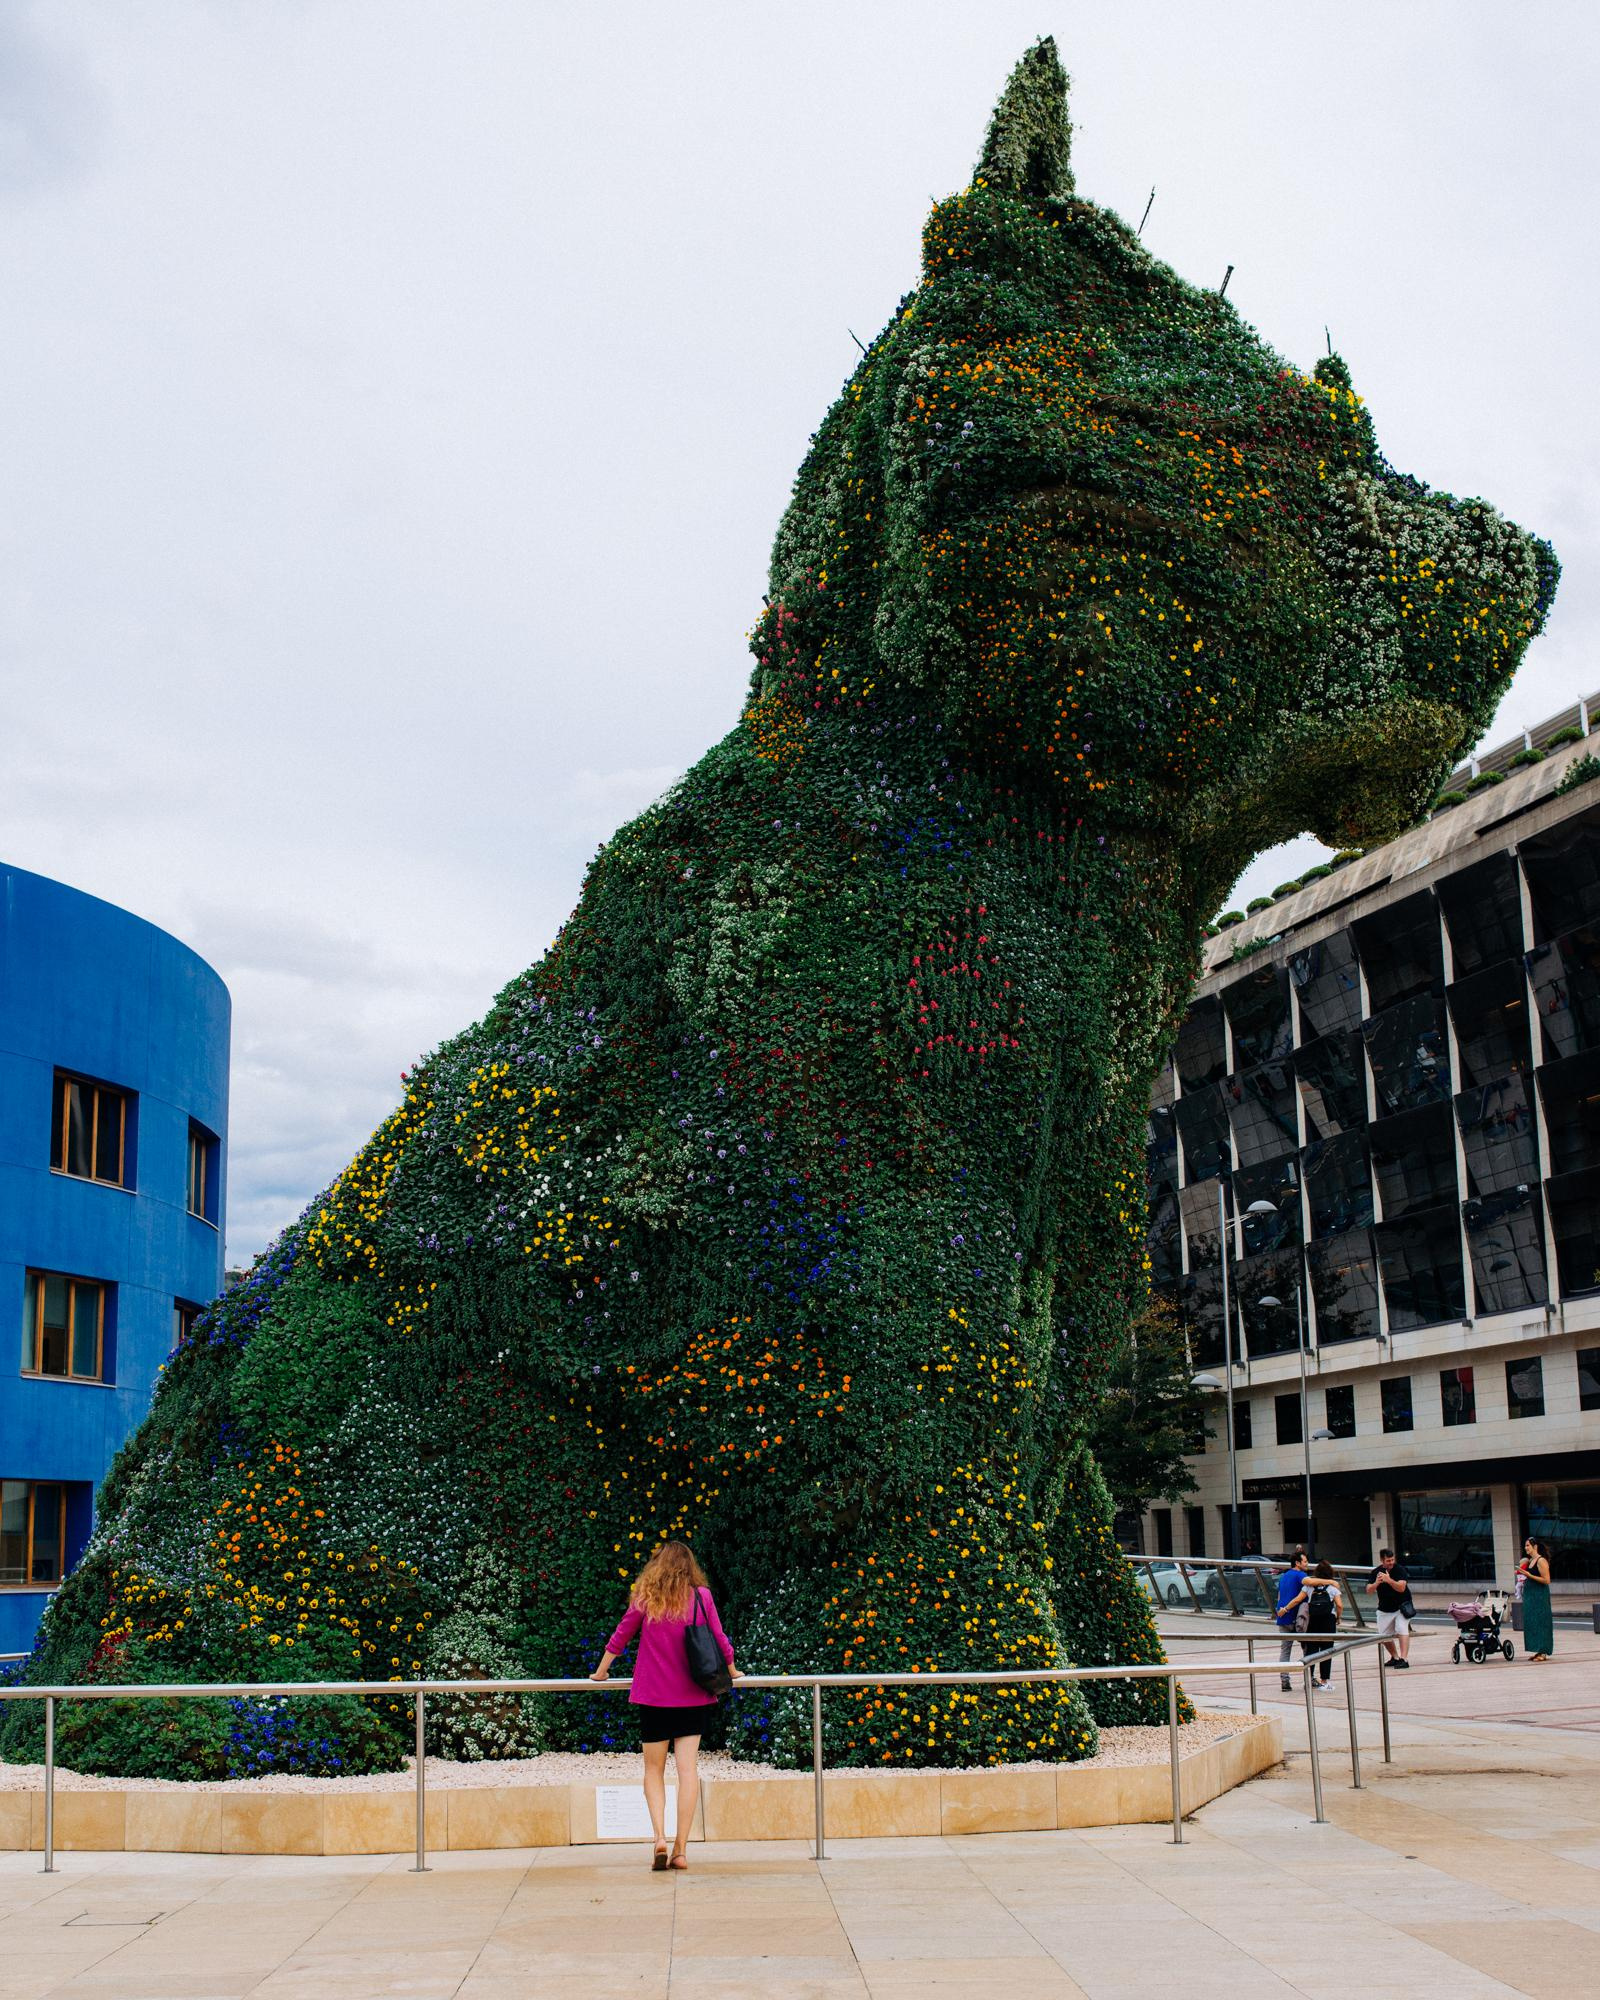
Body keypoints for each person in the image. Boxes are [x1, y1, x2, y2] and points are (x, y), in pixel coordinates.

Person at [591, 1540, 738, 1870]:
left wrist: (602, 1671)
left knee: (653, 1771)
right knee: (688, 1772)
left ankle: (658, 1836)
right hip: (692, 1697)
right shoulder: (702, 1596)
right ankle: (681, 1848)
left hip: (653, 1697)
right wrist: (731, 1668)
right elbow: (718, 1636)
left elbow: (621, 1635)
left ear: (657, 1566)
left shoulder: (647, 1597)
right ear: (690, 1567)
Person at [1281, 1560, 1342, 1687]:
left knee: (1312, 1651)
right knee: (1327, 1650)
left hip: (1313, 1620)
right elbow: (1340, 1605)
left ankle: (1308, 1679)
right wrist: (1338, 1618)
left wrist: (1285, 1609)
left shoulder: (1308, 1587)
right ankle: (1324, 1681)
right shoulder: (1333, 1587)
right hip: (1328, 1621)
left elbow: (1297, 1600)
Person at [1366, 1548, 1414, 1668]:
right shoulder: (1376, 1572)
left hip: (1401, 1606)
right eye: (1388, 1560)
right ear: (1382, 1560)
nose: (1391, 1562)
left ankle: (1404, 1659)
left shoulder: (1400, 1570)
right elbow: (1369, 1590)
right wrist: (1377, 1583)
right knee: (1383, 1635)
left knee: (1402, 1629)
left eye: (1392, 1559)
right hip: (1384, 1608)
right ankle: (1395, 1657)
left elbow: (1401, 1588)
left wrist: (1389, 1580)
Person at [1275, 1548, 1309, 1692]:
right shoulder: (1301, 1575)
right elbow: (1308, 1584)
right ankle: (1309, 1678)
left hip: (1283, 1618)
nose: (1307, 1564)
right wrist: (1330, 1582)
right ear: (1297, 1563)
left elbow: (1279, 1595)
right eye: (1305, 1561)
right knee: (1307, 1649)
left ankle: (1285, 1681)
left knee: (1285, 1650)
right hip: (1297, 1618)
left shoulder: (1284, 1576)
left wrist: (1281, 1610)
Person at [1520, 1536, 1554, 1661]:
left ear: (1535, 1547)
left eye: (1528, 1545)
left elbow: (1547, 1580)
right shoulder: (1530, 1561)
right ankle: (1537, 1649)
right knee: (1532, 1622)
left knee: (1541, 1621)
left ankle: (1543, 1651)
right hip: (1531, 1596)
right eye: (1525, 1545)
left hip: (1540, 1596)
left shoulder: (1541, 1561)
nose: (1526, 1548)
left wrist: (1529, 1575)